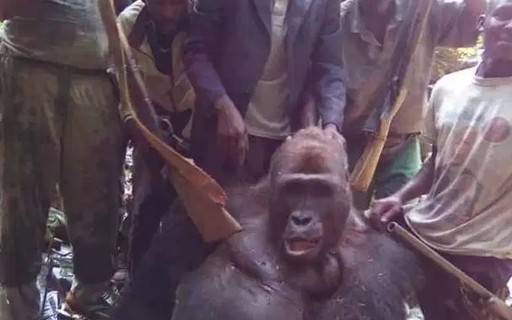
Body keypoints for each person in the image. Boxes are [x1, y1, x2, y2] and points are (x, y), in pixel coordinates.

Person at [369, 0, 512, 318]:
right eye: (504, 16)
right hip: (422, 233)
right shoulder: (448, 88)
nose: (511, 27)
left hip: (482, 256)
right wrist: (398, 198)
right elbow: (436, 163)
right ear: (482, 23)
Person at [0, 1, 125, 319]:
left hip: (98, 75)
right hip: (30, 66)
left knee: (98, 190)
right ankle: (18, 298)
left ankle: (91, 290)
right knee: (23, 190)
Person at [340, 0, 486, 210]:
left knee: (399, 220)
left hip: (403, 142)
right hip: (352, 141)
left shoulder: (425, 9)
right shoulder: (339, 20)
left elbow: (471, 22)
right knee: (346, 220)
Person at [184, 0, 345, 184]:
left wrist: (332, 124)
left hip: (286, 145)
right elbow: (196, 51)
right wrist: (222, 105)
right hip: (224, 137)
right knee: (214, 210)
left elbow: (330, 67)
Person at [117, 0, 194, 275]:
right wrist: (142, 128)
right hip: (150, 120)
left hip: (195, 121)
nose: (169, 10)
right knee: (146, 198)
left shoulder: (203, 18)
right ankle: (134, 271)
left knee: (188, 206)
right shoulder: (130, 24)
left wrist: (185, 141)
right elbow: (119, 78)